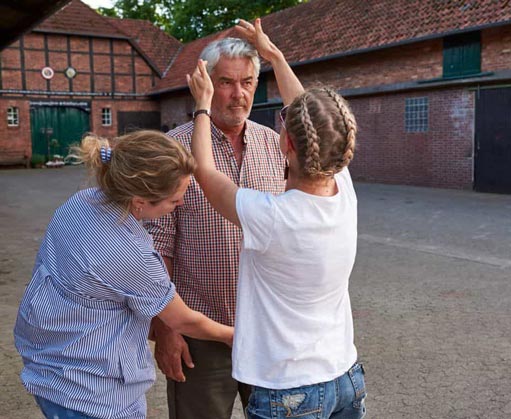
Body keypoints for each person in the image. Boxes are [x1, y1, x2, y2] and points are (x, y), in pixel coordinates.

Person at [186, 18, 366, 419]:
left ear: (285, 142)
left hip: (291, 388)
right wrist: (275, 56)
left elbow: (203, 171)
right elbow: (313, 118)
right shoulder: (344, 191)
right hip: (344, 375)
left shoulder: (271, 217)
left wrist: (201, 105)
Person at [13, 131, 234, 419]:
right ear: (140, 201)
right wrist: (234, 335)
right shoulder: (130, 255)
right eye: (174, 201)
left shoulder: (81, 203)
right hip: (93, 394)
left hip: (50, 369)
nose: (180, 205)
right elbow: (182, 319)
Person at [145, 37, 285, 419]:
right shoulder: (174, 151)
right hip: (200, 332)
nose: (238, 94)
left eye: (248, 82)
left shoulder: (275, 146)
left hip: (268, 332)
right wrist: (167, 329)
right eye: (226, 81)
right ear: (205, 82)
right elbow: (158, 249)